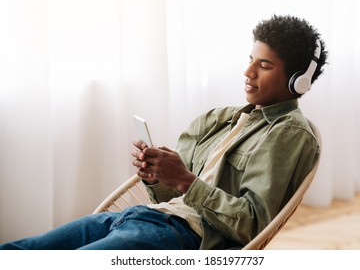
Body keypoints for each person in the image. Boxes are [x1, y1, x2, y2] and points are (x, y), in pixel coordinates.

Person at [0, 14, 328, 250]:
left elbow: (251, 225)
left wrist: (186, 179)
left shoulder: (288, 134)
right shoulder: (220, 119)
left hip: (179, 237)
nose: (248, 71)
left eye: (265, 66)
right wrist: (158, 178)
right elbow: (183, 198)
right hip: (142, 217)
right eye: (250, 59)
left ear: (297, 81)